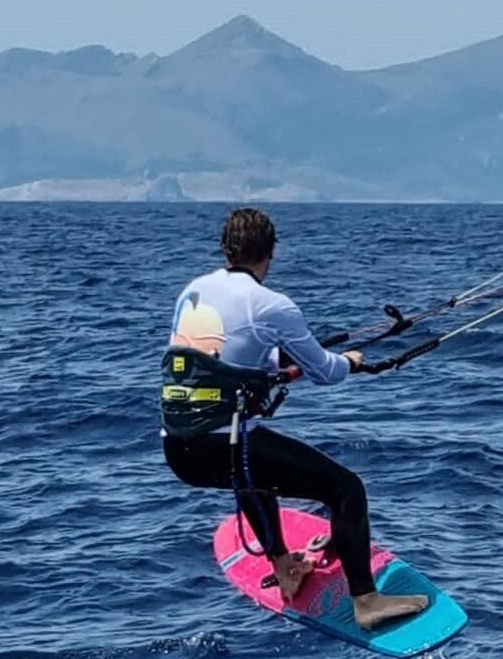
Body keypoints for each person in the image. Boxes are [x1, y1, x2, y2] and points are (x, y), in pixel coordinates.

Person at [161, 207, 428, 630]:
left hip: (178, 448)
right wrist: (351, 363)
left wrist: (276, 365)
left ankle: (283, 563)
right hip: (225, 444)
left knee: (251, 465)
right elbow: (325, 372)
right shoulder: (271, 304)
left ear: (225, 250)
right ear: (270, 254)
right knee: (345, 490)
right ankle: (367, 601)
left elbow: (225, 352)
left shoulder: (192, 291)